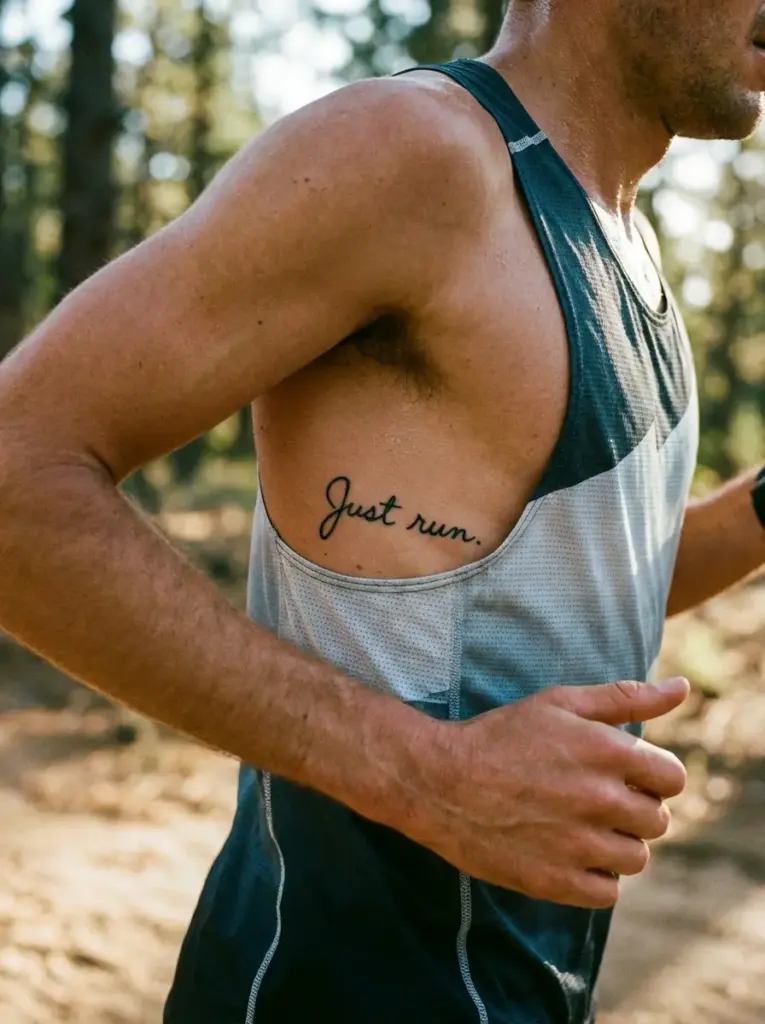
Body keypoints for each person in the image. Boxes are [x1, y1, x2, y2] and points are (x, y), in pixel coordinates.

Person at [1, 0, 765, 1020]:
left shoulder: (626, 240)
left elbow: (584, 582)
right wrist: (430, 774)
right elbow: (16, 478)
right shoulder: (419, 156)